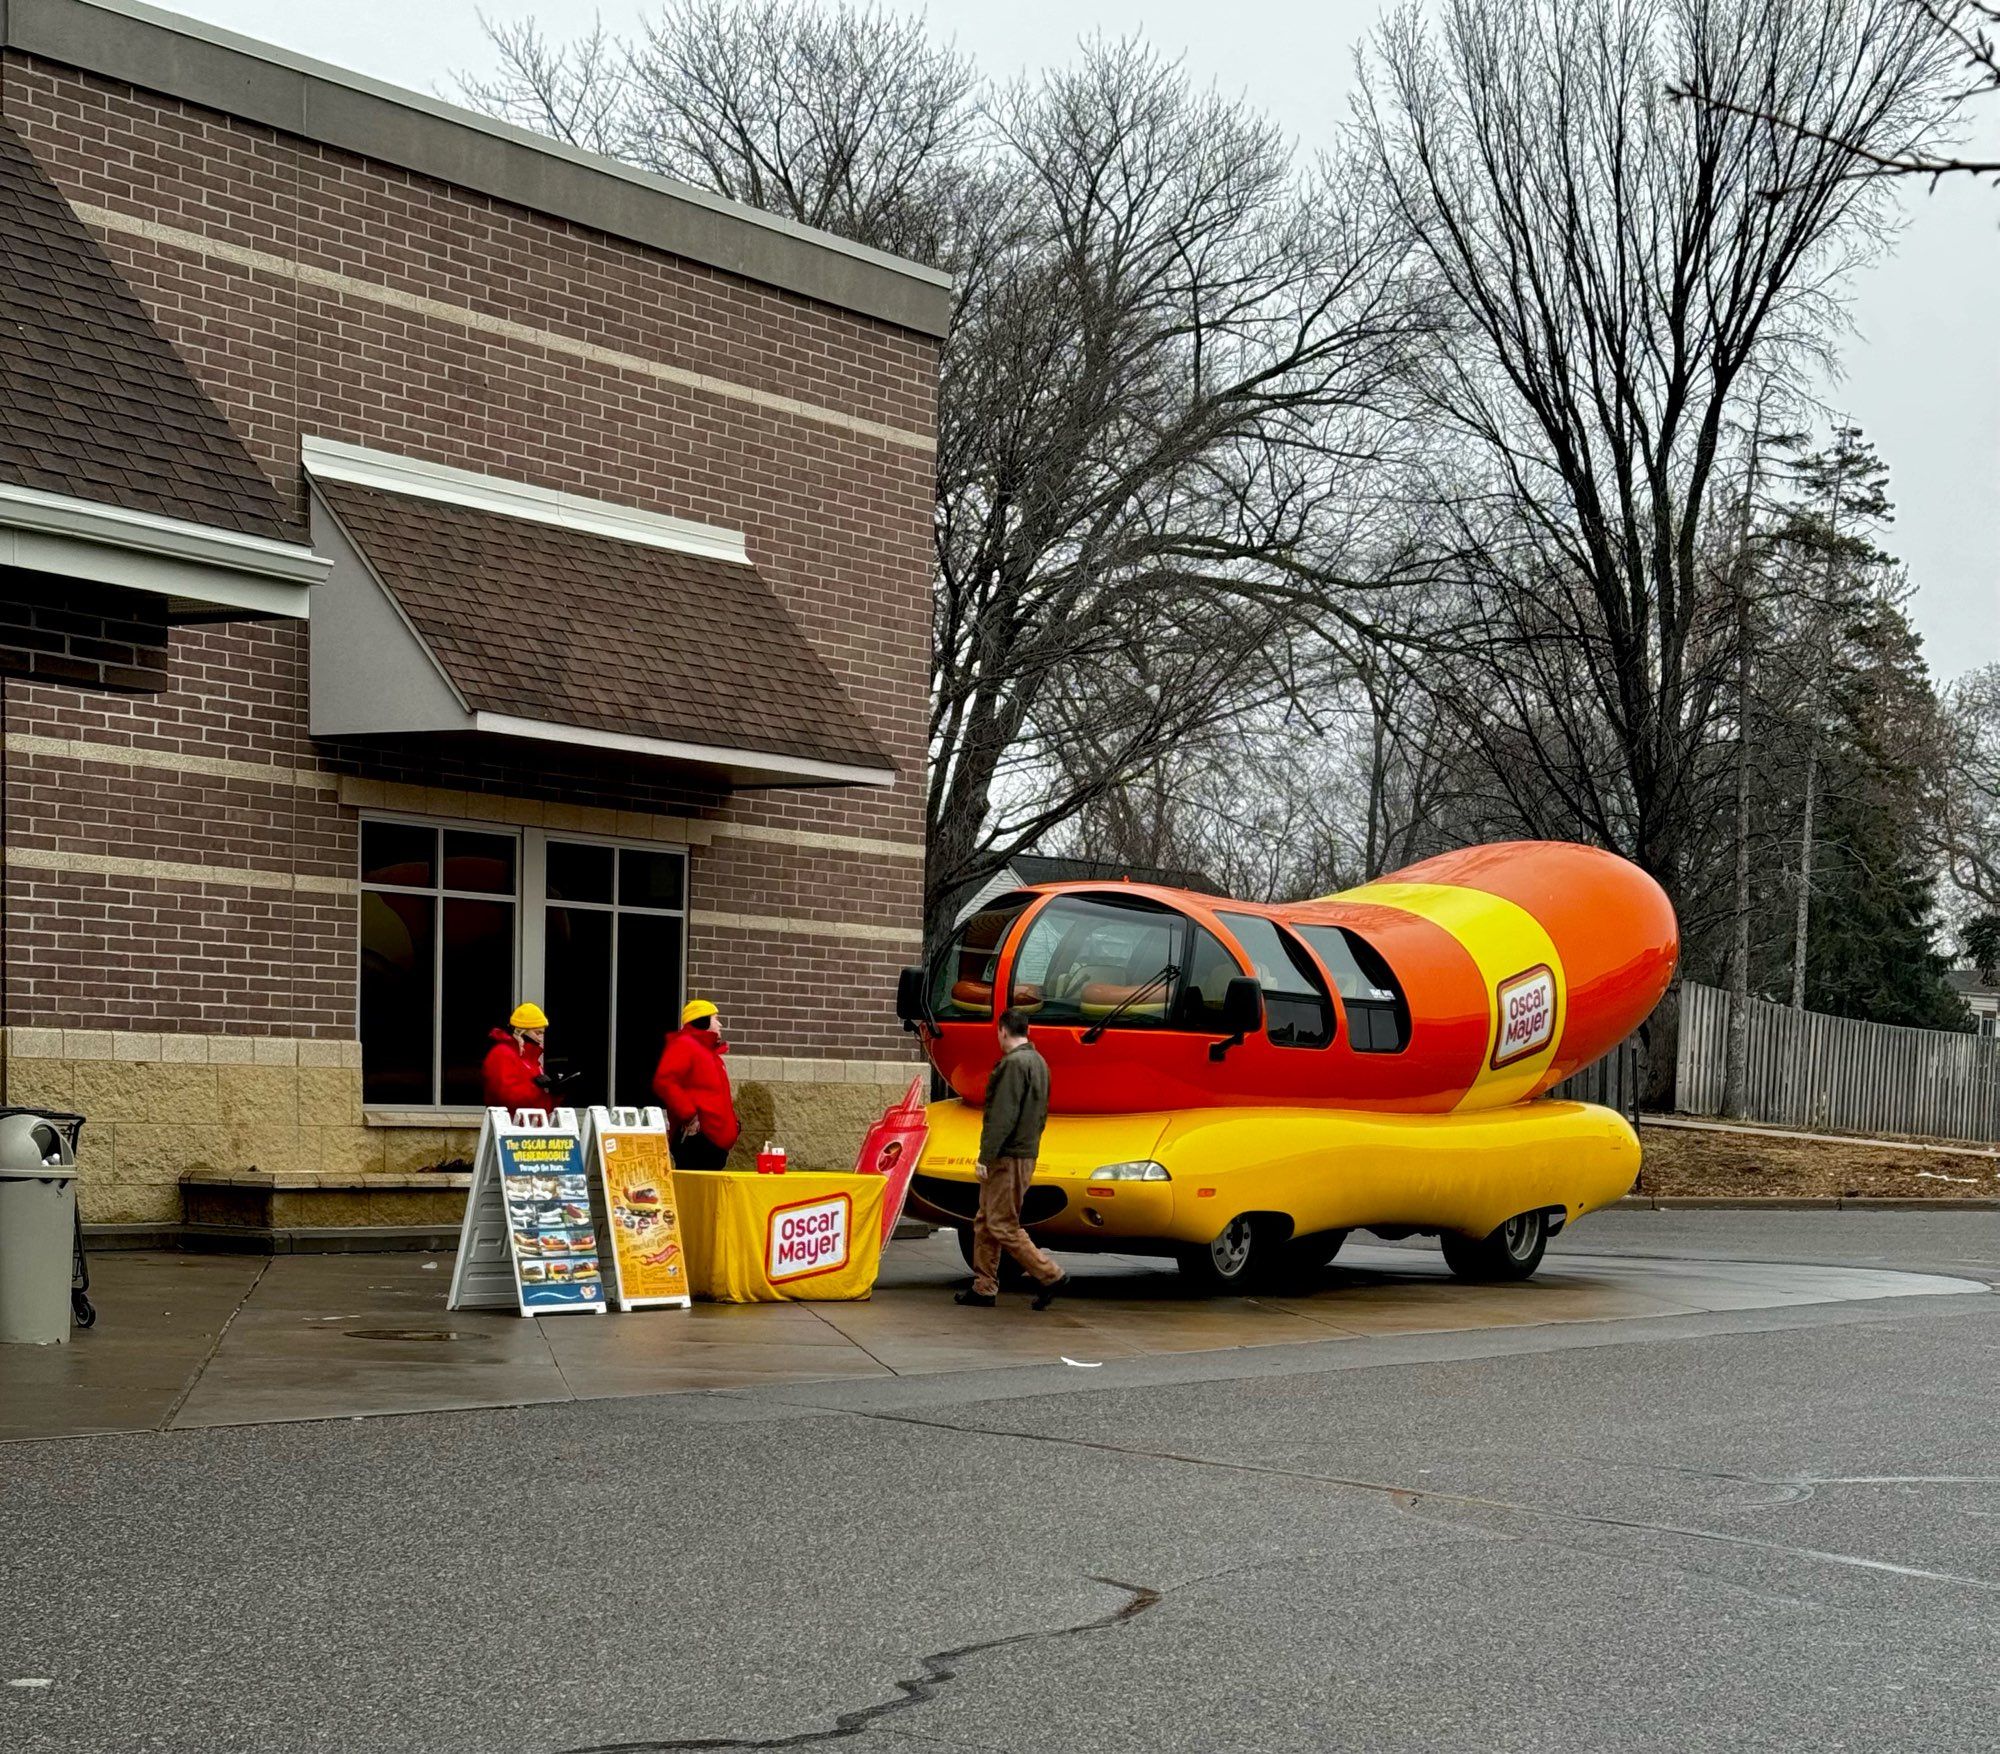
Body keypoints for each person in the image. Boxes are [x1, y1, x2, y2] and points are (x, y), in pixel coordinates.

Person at [957, 1006, 1066, 1309]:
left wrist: (985, 1156)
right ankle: (984, 1286)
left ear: (1003, 1031)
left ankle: (1050, 1274)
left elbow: (1002, 1117)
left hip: (1007, 1156)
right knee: (985, 1220)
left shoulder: (1012, 1065)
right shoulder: (1039, 1062)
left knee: (1002, 1223)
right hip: (1025, 1152)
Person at [654, 998, 741, 1169]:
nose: (720, 1024)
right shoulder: (685, 1045)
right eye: (716, 1018)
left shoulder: (708, 1053)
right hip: (698, 1142)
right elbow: (664, 1081)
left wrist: (733, 1125)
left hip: (712, 1144)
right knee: (696, 1194)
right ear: (703, 1020)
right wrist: (689, 1116)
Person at [483, 1002, 555, 1113]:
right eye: (537, 1033)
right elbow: (506, 1096)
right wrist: (538, 1090)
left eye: (542, 1034)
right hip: (511, 1126)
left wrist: (556, 1094)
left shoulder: (530, 1059)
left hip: (530, 1124)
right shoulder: (502, 1054)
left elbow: (540, 1104)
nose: (540, 1039)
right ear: (522, 1030)